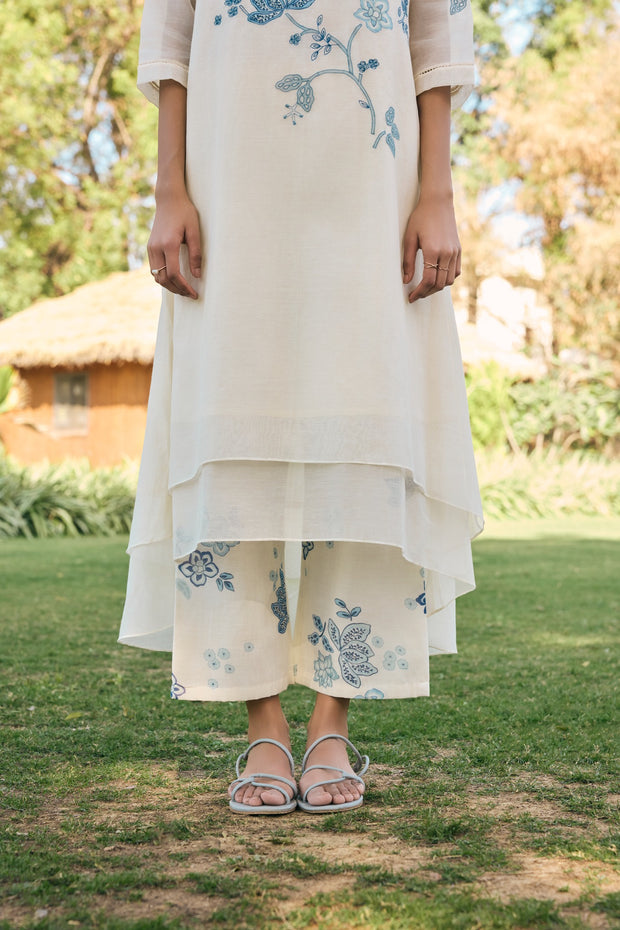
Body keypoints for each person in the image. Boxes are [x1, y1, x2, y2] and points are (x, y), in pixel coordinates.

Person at [118, 0, 483, 815]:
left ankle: (330, 724)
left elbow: (436, 30)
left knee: (367, 429)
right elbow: (171, 31)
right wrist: (168, 188)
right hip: (227, 176)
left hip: (371, 181)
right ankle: (264, 726)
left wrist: (437, 191)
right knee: (230, 425)